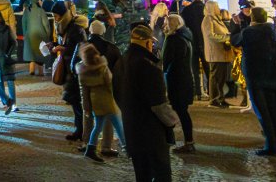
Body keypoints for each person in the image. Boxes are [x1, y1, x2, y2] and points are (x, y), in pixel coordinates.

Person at [116, 23, 176, 182]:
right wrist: (171, 121)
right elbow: (159, 104)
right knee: (161, 173)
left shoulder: (121, 62)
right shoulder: (148, 66)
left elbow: (116, 93)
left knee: (142, 175)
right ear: (148, 42)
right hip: (152, 131)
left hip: (131, 128)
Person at [230, 6, 276, 155]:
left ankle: (272, 145)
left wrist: (236, 26)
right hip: (271, 74)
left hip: (255, 75)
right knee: (272, 110)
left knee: (262, 111)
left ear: (253, 18)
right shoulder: (272, 31)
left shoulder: (249, 32)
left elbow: (235, 41)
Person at [157, 14, 195, 154]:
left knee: (180, 111)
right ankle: (188, 141)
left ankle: (186, 142)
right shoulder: (185, 37)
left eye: (166, 23)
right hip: (184, 78)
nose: (164, 26)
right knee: (182, 111)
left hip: (176, 80)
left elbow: (166, 60)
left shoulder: (173, 39)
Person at [77, 43, 122, 161]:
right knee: (118, 125)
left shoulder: (83, 72)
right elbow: (109, 82)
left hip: (95, 102)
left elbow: (84, 93)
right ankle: (128, 149)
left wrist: (86, 108)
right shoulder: (102, 67)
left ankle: (90, 148)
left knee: (97, 127)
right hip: (107, 100)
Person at [54, 5, 90, 143]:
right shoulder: (66, 28)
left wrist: (63, 48)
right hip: (69, 67)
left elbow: (81, 48)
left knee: (77, 101)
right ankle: (79, 129)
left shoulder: (75, 29)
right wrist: (54, 45)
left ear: (63, 15)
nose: (56, 19)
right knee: (74, 101)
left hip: (75, 69)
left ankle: (81, 131)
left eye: (57, 16)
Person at [201, 0, 233, 106]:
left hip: (222, 52)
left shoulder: (217, 19)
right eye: (217, 6)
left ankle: (220, 97)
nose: (219, 8)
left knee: (221, 77)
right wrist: (226, 37)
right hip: (215, 52)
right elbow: (210, 35)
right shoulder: (208, 20)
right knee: (216, 76)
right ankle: (214, 98)